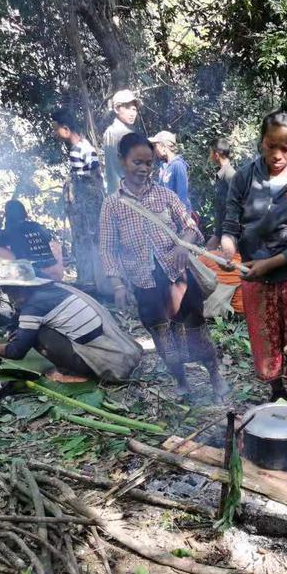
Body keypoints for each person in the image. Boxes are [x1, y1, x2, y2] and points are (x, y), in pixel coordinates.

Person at [99, 133, 226, 400]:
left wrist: (183, 244)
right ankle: (181, 383)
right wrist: (118, 284)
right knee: (164, 341)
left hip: (179, 279)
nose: (144, 169)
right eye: (137, 162)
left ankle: (215, 377)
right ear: (122, 161)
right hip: (145, 285)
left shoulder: (164, 196)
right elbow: (108, 249)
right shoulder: (111, 205)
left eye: (149, 163)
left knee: (197, 334)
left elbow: (191, 227)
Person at [220, 110, 287, 401]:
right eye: (271, 145)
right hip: (254, 276)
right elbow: (230, 225)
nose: (277, 154)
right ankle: (276, 390)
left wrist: (269, 264)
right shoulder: (244, 178)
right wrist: (228, 247)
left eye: (286, 148)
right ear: (261, 141)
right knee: (264, 338)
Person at [0, 258, 142, 382]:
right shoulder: (53, 289)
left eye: (7, 289)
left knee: (36, 335)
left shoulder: (33, 306)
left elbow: (15, 352)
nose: (7, 294)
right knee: (29, 331)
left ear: (18, 288)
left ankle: (70, 372)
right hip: (117, 351)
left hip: (105, 362)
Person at [52, 108, 106, 293]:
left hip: (89, 210)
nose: (54, 133)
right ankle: (92, 281)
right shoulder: (83, 146)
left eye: (56, 129)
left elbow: (90, 179)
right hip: (89, 207)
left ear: (66, 129)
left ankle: (92, 284)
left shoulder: (80, 149)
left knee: (88, 244)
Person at [0, 200, 63, 280]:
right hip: (52, 270)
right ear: (24, 213)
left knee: (0, 250)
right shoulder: (37, 226)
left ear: (7, 215)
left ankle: (8, 282)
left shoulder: (9, 231)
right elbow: (48, 238)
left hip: (33, 273)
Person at [103, 89, 140, 195]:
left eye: (134, 109)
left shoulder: (113, 131)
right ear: (116, 109)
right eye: (128, 108)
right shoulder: (118, 132)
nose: (132, 113)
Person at [148, 130, 192, 211]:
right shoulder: (164, 166)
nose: (154, 149)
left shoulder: (178, 165)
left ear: (163, 146)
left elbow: (182, 195)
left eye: (155, 146)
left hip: (177, 215)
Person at [208, 137, 236, 249]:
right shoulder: (223, 174)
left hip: (228, 229)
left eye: (211, 153)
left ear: (216, 155)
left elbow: (238, 204)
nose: (209, 156)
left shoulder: (230, 174)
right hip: (222, 228)